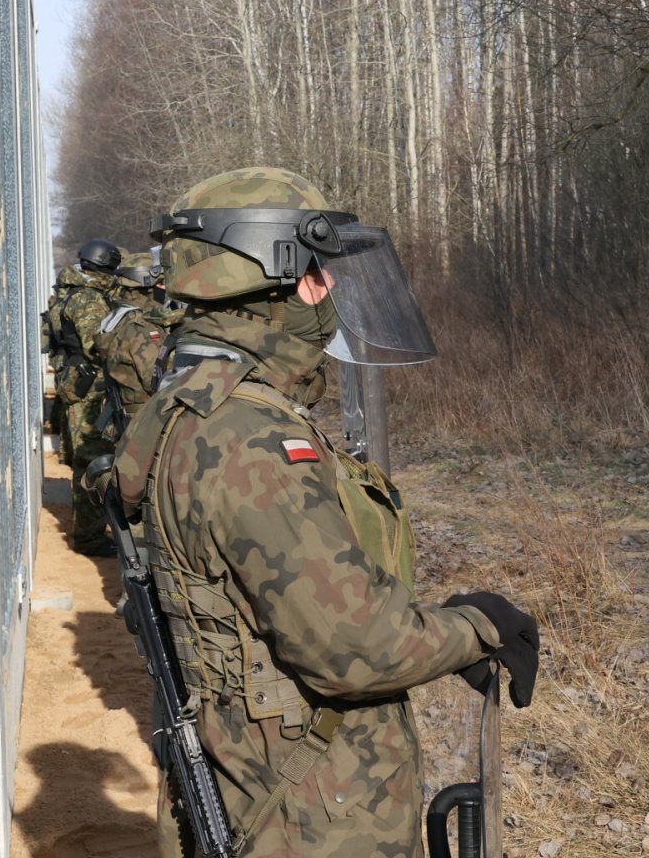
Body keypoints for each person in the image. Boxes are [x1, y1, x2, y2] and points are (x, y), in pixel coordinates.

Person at [111, 168, 539, 856]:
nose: (329, 288)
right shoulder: (248, 440)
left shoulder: (184, 405)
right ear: (266, 280)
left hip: (253, 783)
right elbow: (355, 650)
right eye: (317, 272)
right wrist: (481, 627)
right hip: (308, 816)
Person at [42, 237, 123, 554]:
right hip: (89, 389)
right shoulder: (88, 298)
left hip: (78, 385)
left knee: (86, 460)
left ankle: (89, 533)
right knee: (91, 460)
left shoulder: (71, 292)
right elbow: (96, 344)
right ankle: (89, 538)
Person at [92, 252, 185, 440]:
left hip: (129, 418)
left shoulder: (118, 317)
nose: (164, 289)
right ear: (146, 288)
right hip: (145, 424)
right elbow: (158, 381)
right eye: (160, 284)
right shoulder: (142, 329)